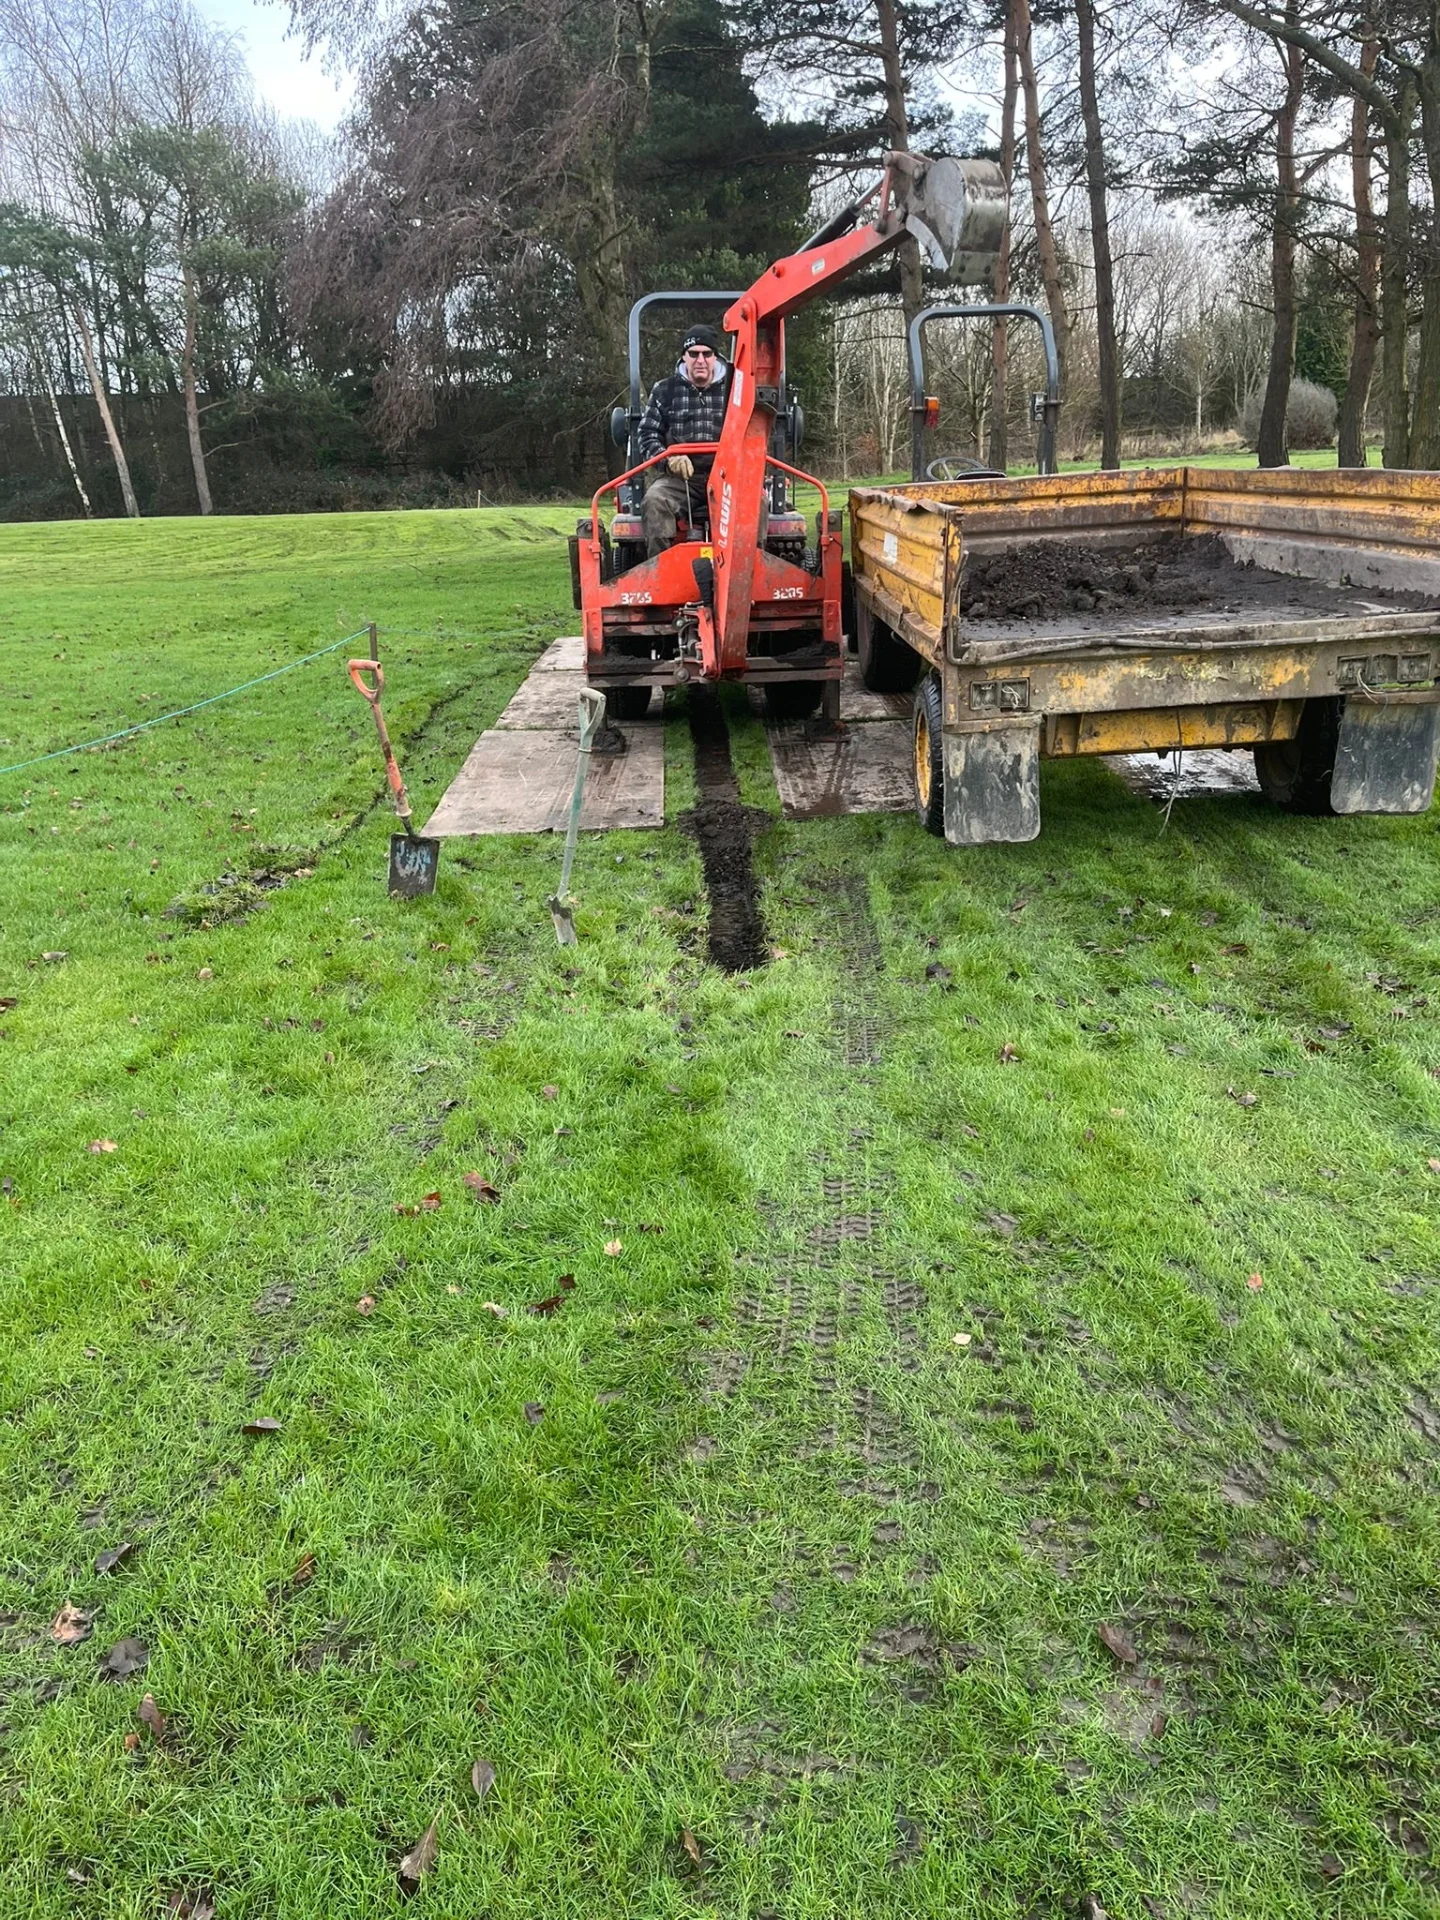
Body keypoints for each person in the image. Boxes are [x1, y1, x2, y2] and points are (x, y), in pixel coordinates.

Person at [636, 324, 733, 559]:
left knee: (756, 503)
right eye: (693, 354)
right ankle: (662, 571)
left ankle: (747, 575)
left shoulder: (735, 389)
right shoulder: (665, 390)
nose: (700, 360)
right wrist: (669, 459)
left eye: (706, 354)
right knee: (654, 501)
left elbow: (755, 434)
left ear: (716, 357)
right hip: (680, 479)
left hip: (726, 476)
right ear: (684, 357)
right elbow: (647, 434)